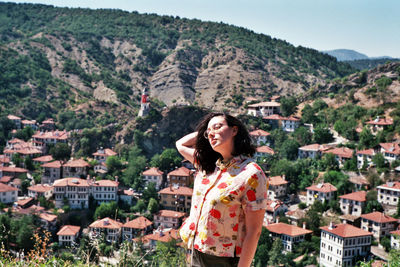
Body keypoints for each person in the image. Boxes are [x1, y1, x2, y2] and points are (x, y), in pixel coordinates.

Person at [176, 112, 268, 267]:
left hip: (223, 259)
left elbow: (254, 231)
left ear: (234, 130)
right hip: (196, 251)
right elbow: (181, 144)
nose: (211, 133)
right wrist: (209, 131)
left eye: (218, 127)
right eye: (208, 132)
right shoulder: (209, 166)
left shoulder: (251, 174)